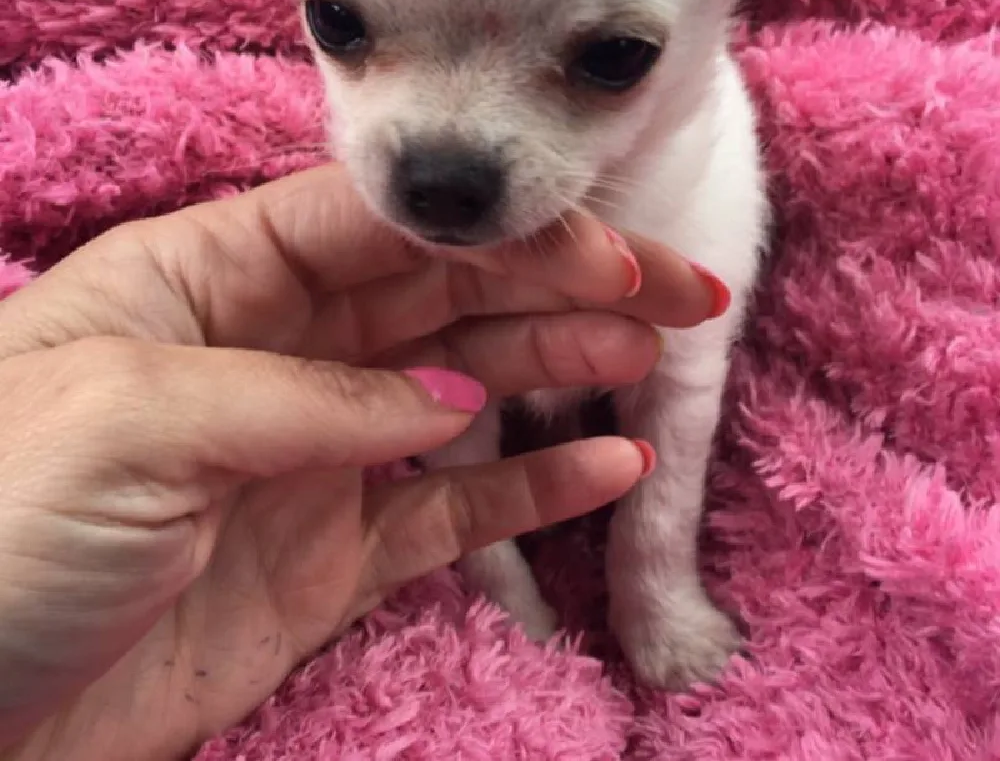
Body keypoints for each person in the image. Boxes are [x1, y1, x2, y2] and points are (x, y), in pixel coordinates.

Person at [0, 162, 720, 761]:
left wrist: (659, 584)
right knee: (453, 382)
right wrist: (501, 591)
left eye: (608, 56)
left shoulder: (708, 184)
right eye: (344, 25)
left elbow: (684, 379)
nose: (443, 157)